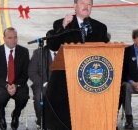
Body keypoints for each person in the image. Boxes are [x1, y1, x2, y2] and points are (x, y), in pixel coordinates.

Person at [45, 0, 110, 130]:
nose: (86, 6)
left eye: (89, 4)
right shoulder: (62, 23)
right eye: (82, 3)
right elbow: (52, 46)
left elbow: (104, 53)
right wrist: (63, 26)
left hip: (91, 78)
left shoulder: (100, 27)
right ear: (74, 6)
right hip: (66, 76)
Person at [0, 27, 29, 130]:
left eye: (15, 37)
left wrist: (15, 85)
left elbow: (25, 74)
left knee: (23, 96)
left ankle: (16, 114)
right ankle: (1, 114)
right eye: (10, 38)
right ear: (4, 38)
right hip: (1, 83)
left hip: (18, 83)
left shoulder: (24, 52)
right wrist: (6, 85)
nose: (13, 40)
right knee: (0, 95)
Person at [28, 29, 58, 129]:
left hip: (60, 85)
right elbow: (32, 72)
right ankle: (41, 120)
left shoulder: (66, 52)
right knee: (39, 97)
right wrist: (44, 83)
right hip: (42, 84)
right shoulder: (38, 53)